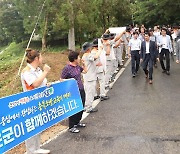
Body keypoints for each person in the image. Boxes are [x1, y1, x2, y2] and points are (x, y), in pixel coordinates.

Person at [21, 48, 51, 154]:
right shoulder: (26, 72)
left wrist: (46, 84)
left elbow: (41, 82)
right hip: (30, 103)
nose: (42, 59)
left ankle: (37, 148)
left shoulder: (38, 70)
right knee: (31, 127)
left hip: (40, 101)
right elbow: (35, 84)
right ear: (37, 58)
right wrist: (46, 72)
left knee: (38, 124)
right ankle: (31, 151)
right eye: (41, 57)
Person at [61, 51, 86, 133]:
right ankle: (71, 126)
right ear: (74, 59)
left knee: (81, 106)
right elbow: (61, 79)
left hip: (81, 89)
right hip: (73, 91)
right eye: (78, 57)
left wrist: (84, 64)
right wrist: (71, 80)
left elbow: (85, 71)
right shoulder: (67, 68)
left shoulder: (78, 67)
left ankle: (77, 122)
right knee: (74, 107)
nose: (79, 58)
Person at [82, 42, 101, 113]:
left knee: (87, 92)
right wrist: (100, 50)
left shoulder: (85, 55)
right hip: (90, 77)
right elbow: (95, 57)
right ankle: (89, 107)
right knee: (90, 93)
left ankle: (86, 106)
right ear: (88, 49)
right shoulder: (87, 55)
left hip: (88, 76)